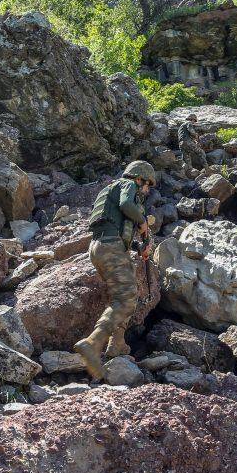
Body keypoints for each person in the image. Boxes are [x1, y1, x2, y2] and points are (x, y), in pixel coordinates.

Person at [75, 161, 156, 379]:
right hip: (110, 248)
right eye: (147, 185)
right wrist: (143, 222)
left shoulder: (109, 190)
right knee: (126, 296)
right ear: (139, 179)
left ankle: (117, 345)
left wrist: (140, 247)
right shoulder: (127, 185)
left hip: (100, 247)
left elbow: (117, 226)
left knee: (124, 296)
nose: (147, 190)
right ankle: (92, 344)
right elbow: (126, 206)